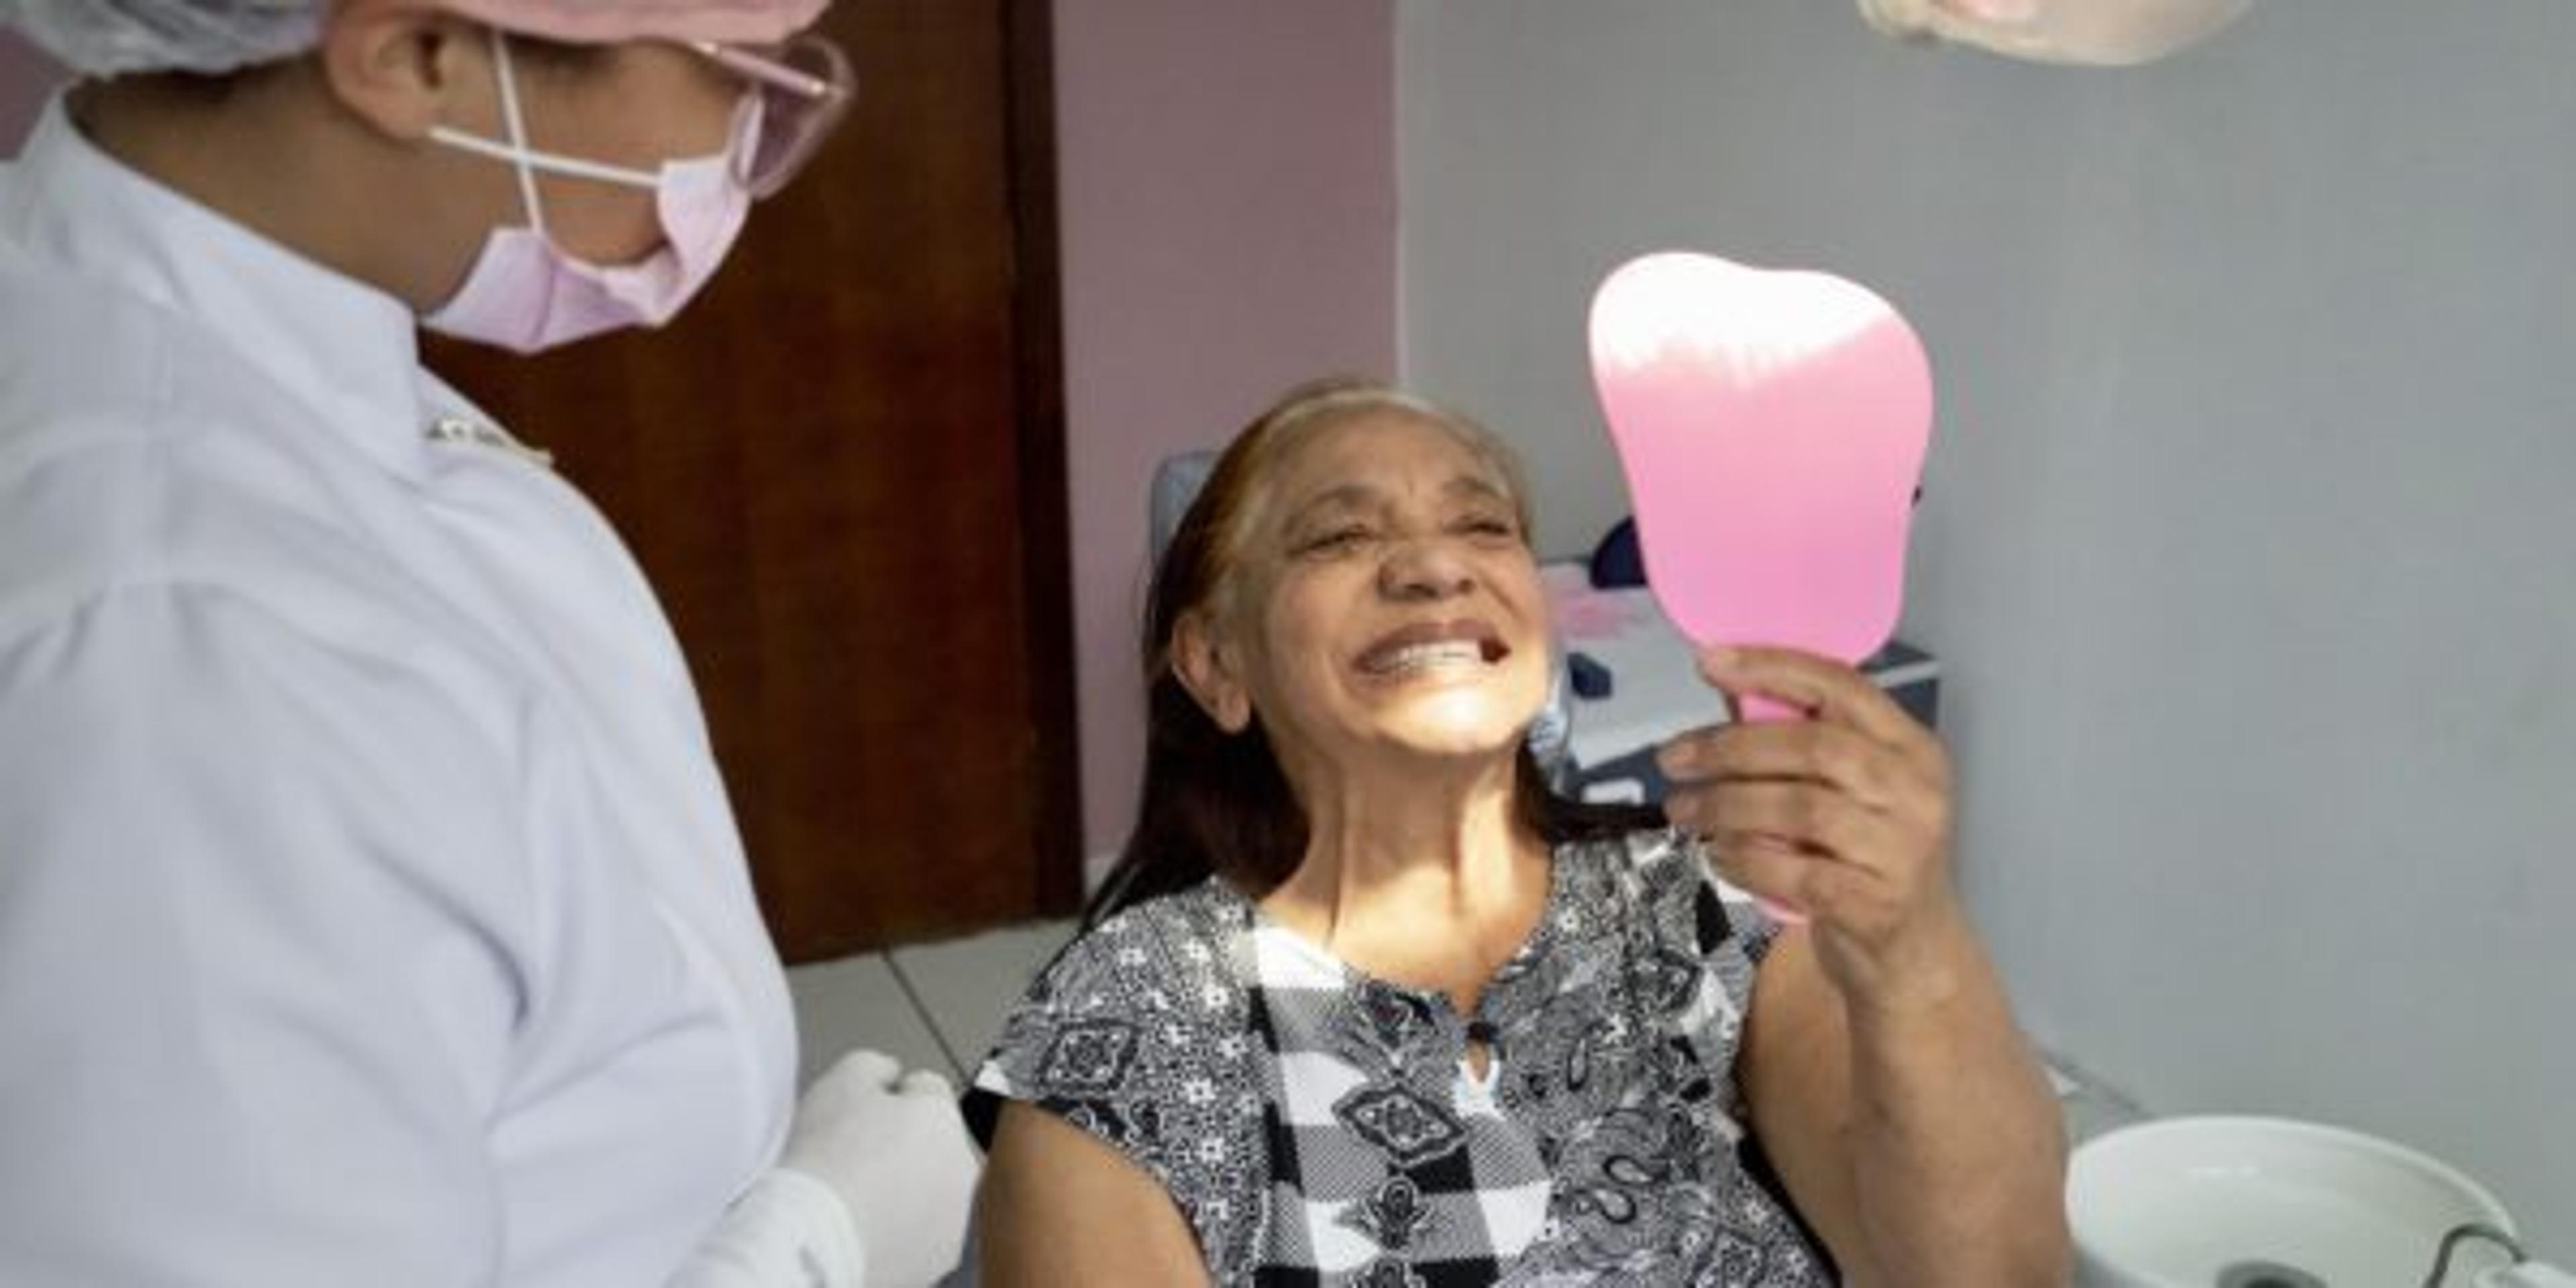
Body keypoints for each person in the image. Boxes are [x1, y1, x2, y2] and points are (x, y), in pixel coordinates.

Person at [0, 1, 974, 1283]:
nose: (746, 143)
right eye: (735, 71)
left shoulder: (200, 312)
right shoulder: (188, 670)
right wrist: (807, 1244)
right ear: (412, 54)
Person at [965, 380, 2070, 1285]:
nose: (1435, 566)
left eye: (1481, 524)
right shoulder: (1132, 1027)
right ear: (1218, 665)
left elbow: (1986, 1278)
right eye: (1341, 534)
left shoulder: (1700, 909)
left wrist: (1909, 943)